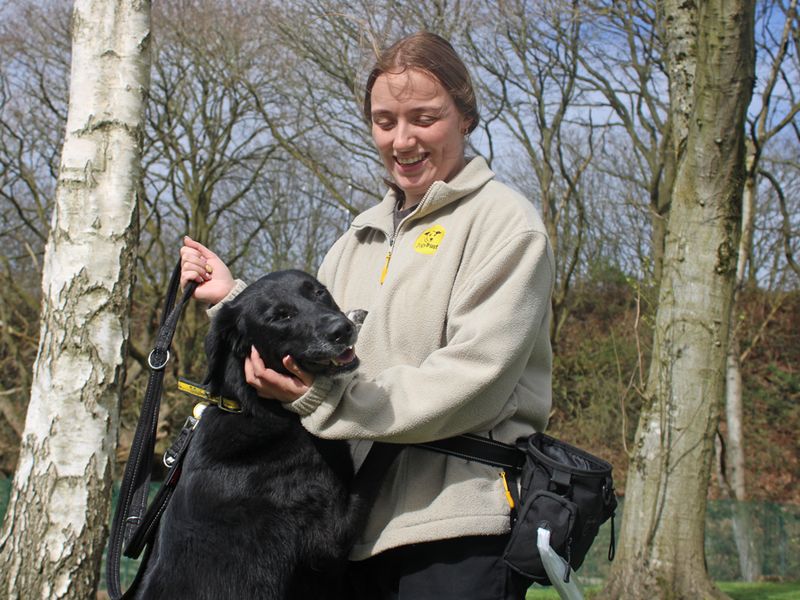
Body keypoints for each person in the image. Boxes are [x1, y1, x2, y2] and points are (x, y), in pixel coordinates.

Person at [179, 31, 554, 600]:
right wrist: (238, 300)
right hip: (345, 532)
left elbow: (474, 379)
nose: (402, 139)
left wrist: (323, 402)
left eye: (423, 118)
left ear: (465, 115)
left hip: (455, 527)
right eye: (384, 121)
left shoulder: (506, 226)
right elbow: (319, 337)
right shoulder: (357, 236)